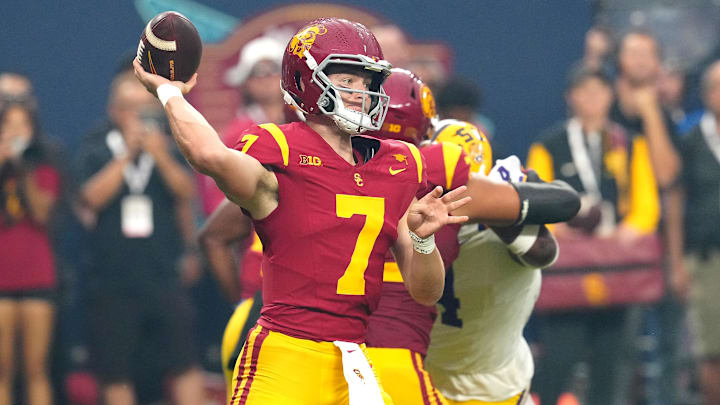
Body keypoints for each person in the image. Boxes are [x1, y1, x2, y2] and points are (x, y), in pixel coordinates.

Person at [135, 17, 474, 405]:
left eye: (366, 81)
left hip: (355, 360)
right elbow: (208, 154)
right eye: (347, 80)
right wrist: (168, 93)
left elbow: (425, 292)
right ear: (306, 81)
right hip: (286, 355)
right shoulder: (281, 150)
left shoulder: (399, 165)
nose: (360, 92)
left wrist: (423, 241)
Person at [363, 69, 572, 405]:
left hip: (422, 374)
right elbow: (548, 239)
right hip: (483, 381)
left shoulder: (391, 204)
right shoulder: (481, 211)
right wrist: (504, 205)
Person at [526, 67, 660, 405]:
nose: (592, 99)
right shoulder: (549, 144)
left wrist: (624, 234)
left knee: (613, 364)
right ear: (571, 97)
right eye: (584, 92)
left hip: (616, 270)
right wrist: (560, 228)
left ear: (610, 96)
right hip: (568, 271)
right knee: (558, 359)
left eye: (600, 92)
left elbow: (647, 205)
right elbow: (533, 196)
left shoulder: (629, 143)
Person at [76, 71, 204, 405]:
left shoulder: (169, 144)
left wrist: (158, 155)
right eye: (129, 109)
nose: (139, 117)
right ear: (114, 110)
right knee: (115, 370)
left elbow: (184, 193)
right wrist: (127, 156)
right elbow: (90, 198)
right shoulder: (96, 147)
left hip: (162, 271)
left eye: (145, 109)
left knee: (183, 360)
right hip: (112, 277)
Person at [0, 100, 62, 405]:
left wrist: (22, 171)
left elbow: (40, 213)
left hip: (37, 274)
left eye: (22, 126)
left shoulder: (44, 168)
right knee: (2, 371)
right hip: (1, 277)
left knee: (36, 369)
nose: (15, 133)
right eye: (8, 126)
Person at [666, 60, 720, 405]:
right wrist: (677, 264)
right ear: (706, 94)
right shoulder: (689, 139)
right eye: (717, 86)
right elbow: (673, 203)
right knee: (712, 352)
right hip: (706, 258)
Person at [611, 28, 680, 190]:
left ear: (658, 64)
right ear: (619, 59)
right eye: (634, 53)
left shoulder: (667, 117)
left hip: (649, 208)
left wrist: (650, 112)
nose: (640, 61)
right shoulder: (603, 105)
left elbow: (666, 177)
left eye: (648, 54)